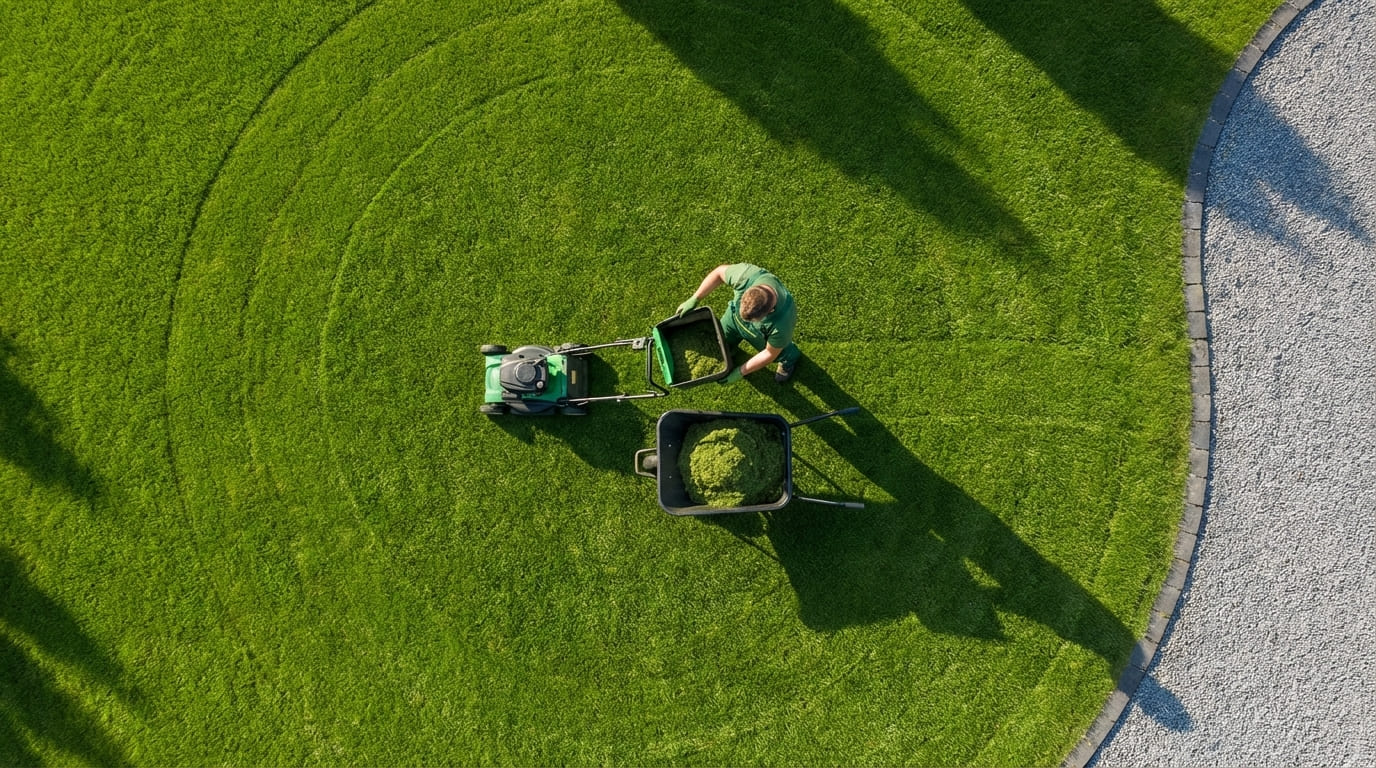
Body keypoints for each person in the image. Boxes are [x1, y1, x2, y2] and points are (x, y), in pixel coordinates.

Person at [676, 263, 800, 384]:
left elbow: (769, 353)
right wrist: (695, 298)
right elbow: (719, 272)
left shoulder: (781, 324)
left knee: (782, 353)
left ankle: (789, 360)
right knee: (721, 340)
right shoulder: (746, 276)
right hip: (733, 318)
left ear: (769, 312)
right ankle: (729, 349)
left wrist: (741, 371)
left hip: (760, 334)